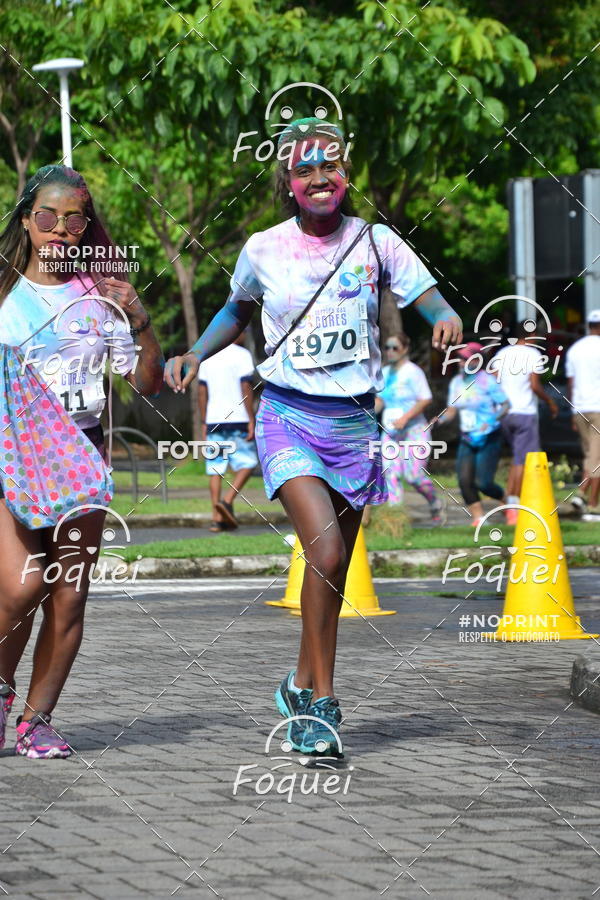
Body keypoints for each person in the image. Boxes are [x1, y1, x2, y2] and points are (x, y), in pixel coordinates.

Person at [164, 117, 462, 754]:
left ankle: (300, 687)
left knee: (334, 569)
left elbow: (427, 298)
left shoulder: (376, 241)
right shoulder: (263, 248)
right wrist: (194, 352)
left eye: (330, 165)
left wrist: (446, 315)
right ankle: (321, 708)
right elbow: (235, 311)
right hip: (289, 415)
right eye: (305, 170)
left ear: (345, 175)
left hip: (355, 423)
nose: (319, 177)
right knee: (324, 556)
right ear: (288, 184)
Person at [0, 165, 163, 758]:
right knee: (22, 588)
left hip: (82, 455)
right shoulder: (3, 293)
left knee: (68, 595)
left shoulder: (100, 296)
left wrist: (138, 316)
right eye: (48, 216)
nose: (62, 229)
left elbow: (146, 383)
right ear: (27, 219)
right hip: (14, 456)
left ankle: (36, 721)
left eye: (76, 218)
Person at [431, 342, 509, 526]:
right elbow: (452, 410)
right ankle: (479, 519)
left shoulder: (487, 380)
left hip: (489, 436)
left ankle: (509, 502)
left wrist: (490, 421)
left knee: (484, 483)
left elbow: (505, 405)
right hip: (467, 437)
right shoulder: (457, 382)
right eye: (459, 358)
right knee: (464, 481)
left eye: (465, 358)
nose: (460, 361)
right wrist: (440, 419)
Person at [489, 321, 558, 524]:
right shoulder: (533, 355)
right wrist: (550, 401)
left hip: (503, 413)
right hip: (524, 412)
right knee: (523, 460)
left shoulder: (501, 354)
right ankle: (513, 504)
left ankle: (507, 502)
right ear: (532, 334)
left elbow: (492, 379)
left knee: (515, 458)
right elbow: (535, 385)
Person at [375, 332, 445, 524]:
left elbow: (425, 399)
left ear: (405, 349)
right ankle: (396, 520)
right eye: (387, 347)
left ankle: (435, 503)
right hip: (391, 433)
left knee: (413, 475)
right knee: (390, 473)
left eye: (394, 347)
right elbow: (380, 401)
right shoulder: (384, 372)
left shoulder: (413, 372)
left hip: (414, 431)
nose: (390, 351)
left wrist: (406, 418)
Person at [198, 331, 258, 531]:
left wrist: (204, 420)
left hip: (214, 420)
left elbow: (201, 391)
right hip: (238, 419)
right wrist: (251, 418)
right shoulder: (242, 355)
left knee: (215, 469)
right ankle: (227, 500)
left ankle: (217, 519)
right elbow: (246, 387)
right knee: (248, 463)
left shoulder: (207, 358)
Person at [566, 309, 600, 515]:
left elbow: (571, 384)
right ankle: (590, 503)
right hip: (599, 408)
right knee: (596, 459)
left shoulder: (575, 349)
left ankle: (583, 496)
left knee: (590, 455)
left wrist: (572, 410)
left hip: (580, 408)